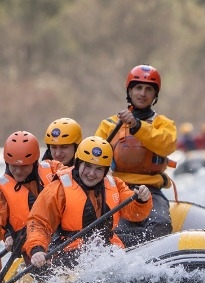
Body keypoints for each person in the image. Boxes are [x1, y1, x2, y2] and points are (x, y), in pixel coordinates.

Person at [25, 136, 152, 269]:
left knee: (142, 238)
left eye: (98, 169)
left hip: (107, 247)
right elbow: (39, 222)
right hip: (70, 250)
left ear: (105, 171)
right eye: (88, 166)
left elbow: (135, 213)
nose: (91, 173)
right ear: (78, 163)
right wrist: (37, 248)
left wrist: (142, 200)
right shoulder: (58, 188)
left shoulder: (115, 184)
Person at [94, 64, 177, 247]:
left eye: (148, 89)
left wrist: (137, 126)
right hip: (117, 189)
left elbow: (167, 144)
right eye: (138, 87)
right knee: (116, 230)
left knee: (160, 224)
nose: (142, 93)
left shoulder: (164, 124)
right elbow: (93, 158)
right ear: (129, 91)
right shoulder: (109, 124)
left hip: (151, 191)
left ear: (155, 95)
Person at [0, 131, 65, 264]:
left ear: (35, 162)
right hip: (31, 252)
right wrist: (6, 236)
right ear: (6, 163)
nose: (18, 171)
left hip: (61, 241)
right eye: (14, 166)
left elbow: (75, 181)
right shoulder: (2, 189)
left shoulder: (53, 170)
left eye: (24, 166)